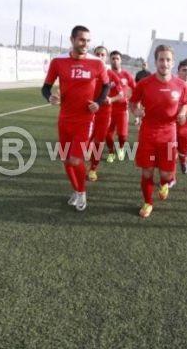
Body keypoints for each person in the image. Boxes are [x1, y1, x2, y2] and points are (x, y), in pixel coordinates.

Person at [41, 25, 110, 211]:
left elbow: (106, 85)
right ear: (72, 40)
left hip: (85, 120)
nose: (85, 44)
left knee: (76, 160)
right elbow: (45, 87)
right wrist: (50, 97)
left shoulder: (97, 63)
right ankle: (76, 190)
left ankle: (81, 193)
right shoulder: (58, 62)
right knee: (65, 159)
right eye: (81, 40)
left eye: (88, 40)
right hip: (64, 120)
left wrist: (98, 102)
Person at [129, 45, 187, 218]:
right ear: (156, 62)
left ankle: (164, 183)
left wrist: (183, 113)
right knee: (147, 171)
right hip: (148, 133)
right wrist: (136, 111)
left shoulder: (180, 85)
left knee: (166, 174)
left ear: (173, 62)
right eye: (161, 59)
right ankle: (148, 202)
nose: (164, 63)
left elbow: (184, 103)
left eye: (168, 60)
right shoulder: (144, 83)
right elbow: (132, 103)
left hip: (169, 134)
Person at [87, 46, 124, 182]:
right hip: (87, 112)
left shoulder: (111, 75)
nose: (100, 56)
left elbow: (121, 94)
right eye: (97, 54)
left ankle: (93, 169)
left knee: (99, 142)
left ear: (106, 57)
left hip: (104, 114)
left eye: (103, 54)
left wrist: (111, 99)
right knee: (85, 142)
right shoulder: (87, 72)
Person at [106, 50, 136, 162]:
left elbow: (135, 89)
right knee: (108, 135)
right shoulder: (106, 74)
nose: (115, 60)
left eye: (117, 58)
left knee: (122, 135)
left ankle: (121, 148)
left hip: (122, 109)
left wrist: (133, 101)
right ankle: (111, 153)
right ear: (110, 60)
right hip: (108, 109)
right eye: (113, 58)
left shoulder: (126, 75)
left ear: (121, 60)